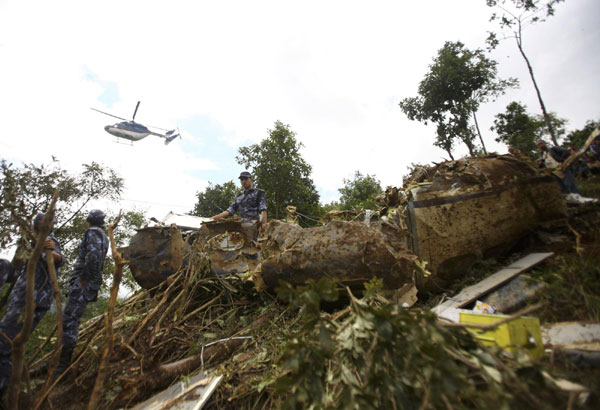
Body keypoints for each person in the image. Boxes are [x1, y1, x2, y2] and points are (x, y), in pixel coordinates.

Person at [0, 213, 64, 398]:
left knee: (6, 343)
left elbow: (59, 259)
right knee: (12, 343)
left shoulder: (49, 241)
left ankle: (4, 387)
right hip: (23, 299)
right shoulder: (27, 241)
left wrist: (52, 252)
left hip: (32, 301)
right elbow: (15, 269)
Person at [55, 209, 109, 377]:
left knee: (70, 321)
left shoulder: (92, 233)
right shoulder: (103, 235)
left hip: (83, 283)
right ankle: (60, 363)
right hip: (88, 282)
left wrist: (83, 279)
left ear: (88, 220)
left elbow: (93, 257)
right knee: (71, 319)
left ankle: (62, 368)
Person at [212, 171, 268, 236]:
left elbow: (263, 208)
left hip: (253, 226)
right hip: (239, 228)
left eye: (246, 179)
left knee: (252, 245)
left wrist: (264, 224)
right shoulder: (239, 197)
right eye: (242, 179)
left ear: (251, 179)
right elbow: (230, 210)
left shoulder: (259, 192)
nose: (243, 181)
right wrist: (216, 217)